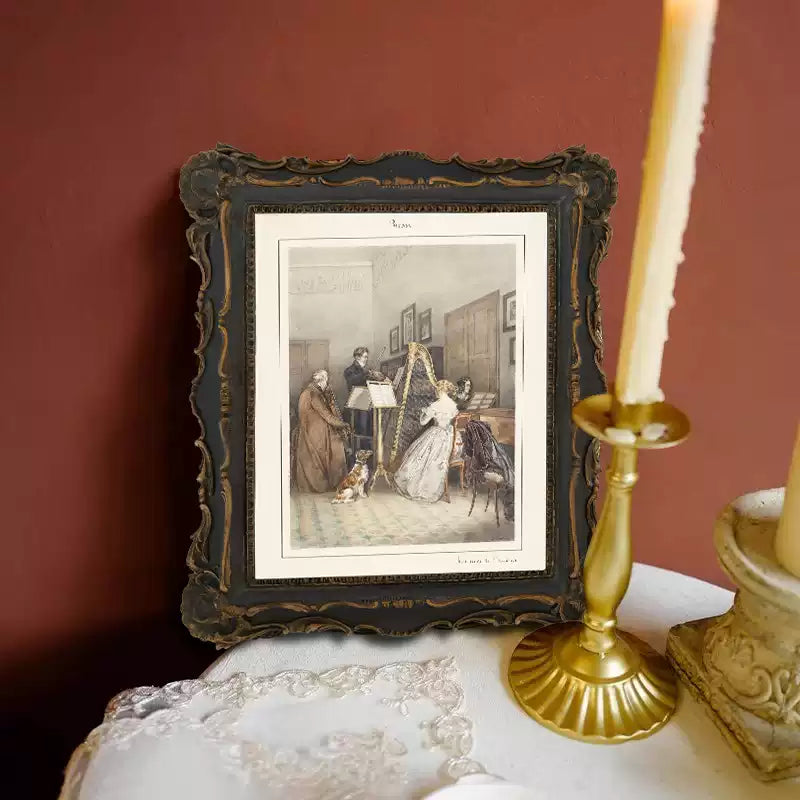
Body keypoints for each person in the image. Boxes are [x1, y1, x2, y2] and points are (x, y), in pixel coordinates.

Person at [392, 379, 459, 502]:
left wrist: (423, 412)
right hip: (450, 438)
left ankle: (419, 487)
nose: (435, 393)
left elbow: (423, 422)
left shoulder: (435, 405)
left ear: (439, 390)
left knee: (418, 456)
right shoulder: (453, 405)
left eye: (436, 390)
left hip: (437, 435)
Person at [295, 369, 351, 493]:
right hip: (314, 432)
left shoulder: (309, 391)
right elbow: (327, 415)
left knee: (335, 436)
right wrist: (343, 424)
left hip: (309, 429)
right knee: (337, 443)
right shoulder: (313, 394)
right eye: (327, 381)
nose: (327, 384)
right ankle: (337, 481)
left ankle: (337, 480)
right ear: (322, 381)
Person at [343, 346, 385, 436]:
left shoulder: (366, 371)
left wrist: (378, 377)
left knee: (371, 428)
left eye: (367, 357)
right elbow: (353, 381)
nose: (366, 359)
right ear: (357, 357)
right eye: (365, 357)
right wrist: (366, 373)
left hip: (368, 403)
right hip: (357, 405)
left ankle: (369, 444)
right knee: (362, 429)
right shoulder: (349, 370)